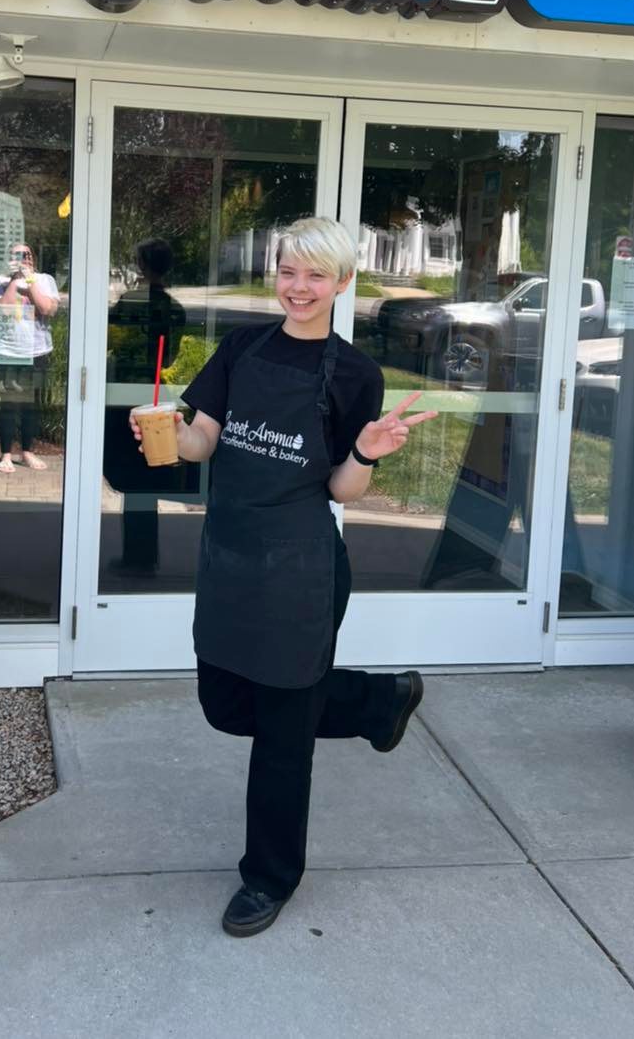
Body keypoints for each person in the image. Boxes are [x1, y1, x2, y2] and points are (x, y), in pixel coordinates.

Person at [130, 216, 437, 937]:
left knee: (282, 738)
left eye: (315, 275)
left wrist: (365, 450)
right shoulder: (241, 348)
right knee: (227, 706)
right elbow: (206, 437)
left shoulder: (355, 373)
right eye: (288, 271)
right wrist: (172, 431)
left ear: (341, 282)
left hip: (301, 567)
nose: (298, 288)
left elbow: (341, 490)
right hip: (232, 555)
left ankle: (268, 879)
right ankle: (373, 701)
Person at [104, 239, 188, 576]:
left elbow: (110, 340)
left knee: (131, 476)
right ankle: (142, 555)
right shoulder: (175, 308)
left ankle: (138, 558)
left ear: (141, 265)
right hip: (153, 394)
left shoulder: (129, 302)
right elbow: (169, 357)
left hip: (124, 395)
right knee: (146, 477)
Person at [0, 241, 60, 473]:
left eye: (27, 254)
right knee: (8, 404)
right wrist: (14, 279)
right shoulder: (1, 281)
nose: (24, 258)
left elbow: (47, 309)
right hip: (8, 352)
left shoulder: (45, 280)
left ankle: (28, 452)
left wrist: (29, 283)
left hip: (37, 351)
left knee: (32, 405)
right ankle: (6, 454)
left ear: (33, 258)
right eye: (17, 255)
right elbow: (3, 310)